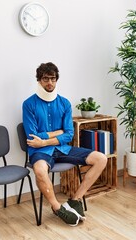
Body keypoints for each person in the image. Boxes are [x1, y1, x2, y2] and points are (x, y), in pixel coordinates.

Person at [22, 62, 107, 226]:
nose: (49, 83)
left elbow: (69, 134)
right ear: (39, 80)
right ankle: (57, 208)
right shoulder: (28, 104)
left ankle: (75, 200)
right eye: (45, 79)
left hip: (62, 148)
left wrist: (46, 140)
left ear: (56, 80)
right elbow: (32, 137)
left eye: (53, 79)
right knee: (39, 169)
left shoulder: (65, 103)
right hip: (39, 152)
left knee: (101, 158)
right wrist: (57, 132)